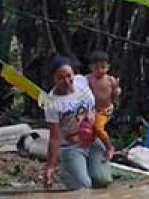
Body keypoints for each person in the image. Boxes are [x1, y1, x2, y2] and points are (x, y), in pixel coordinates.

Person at [43, 56, 112, 191]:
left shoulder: (82, 81)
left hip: (93, 140)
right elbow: (55, 137)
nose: (67, 81)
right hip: (72, 147)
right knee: (82, 187)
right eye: (61, 78)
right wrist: (50, 166)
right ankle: (67, 170)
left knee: (102, 180)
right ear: (53, 79)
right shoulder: (51, 103)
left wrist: (110, 104)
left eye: (69, 76)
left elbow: (103, 84)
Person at [86, 50, 120, 160]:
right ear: (91, 67)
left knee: (98, 128)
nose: (100, 71)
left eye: (103, 67)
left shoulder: (110, 80)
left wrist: (112, 105)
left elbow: (115, 93)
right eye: (96, 68)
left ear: (108, 67)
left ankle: (109, 147)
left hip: (104, 111)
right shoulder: (88, 79)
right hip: (90, 110)